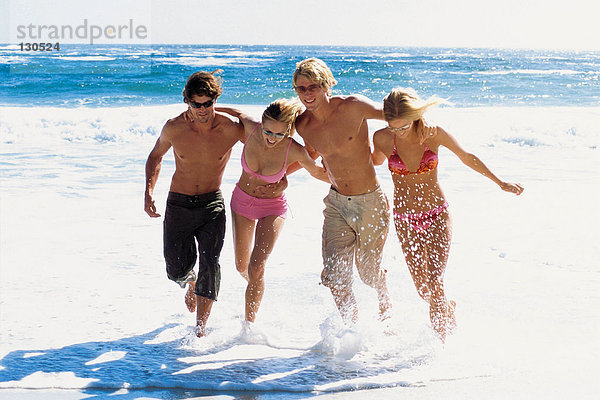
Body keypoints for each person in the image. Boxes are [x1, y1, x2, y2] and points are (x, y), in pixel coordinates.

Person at [372, 87, 524, 341]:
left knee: (435, 283)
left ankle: (443, 350)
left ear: (415, 116)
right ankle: (446, 309)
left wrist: (500, 182)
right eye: (394, 127)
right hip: (404, 219)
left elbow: (467, 157)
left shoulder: (433, 135)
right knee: (424, 290)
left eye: (404, 126)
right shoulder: (382, 138)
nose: (398, 131)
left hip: (436, 215)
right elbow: (374, 160)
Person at [144, 70, 244, 337]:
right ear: (186, 101)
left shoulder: (230, 128)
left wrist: (236, 111)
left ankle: (200, 328)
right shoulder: (174, 127)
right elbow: (155, 156)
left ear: (215, 100)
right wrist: (149, 192)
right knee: (175, 268)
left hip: (212, 204)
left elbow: (266, 137)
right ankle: (191, 281)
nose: (202, 110)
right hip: (179, 203)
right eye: (196, 104)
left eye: (208, 103)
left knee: (211, 263)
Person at [292, 58, 392, 324]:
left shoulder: (353, 107)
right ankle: (352, 329)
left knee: (368, 274)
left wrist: (422, 127)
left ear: (326, 85)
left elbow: (393, 115)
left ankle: (384, 298)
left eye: (313, 86)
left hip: (370, 201)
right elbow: (311, 153)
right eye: (301, 89)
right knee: (335, 276)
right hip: (336, 203)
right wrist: (274, 176)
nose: (307, 94)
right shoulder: (303, 125)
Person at [217, 99, 330, 326]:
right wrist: (209, 108)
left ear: (288, 132)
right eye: (268, 131)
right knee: (243, 267)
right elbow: (236, 111)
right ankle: (257, 287)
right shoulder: (251, 129)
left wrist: (352, 175)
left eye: (279, 135)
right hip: (241, 202)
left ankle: (249, 329)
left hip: (272, 207)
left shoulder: (294, 149)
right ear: (261, 123)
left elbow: (317, 171)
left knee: (256, 266)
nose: (271, 138)